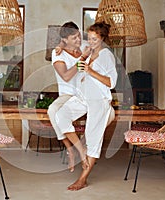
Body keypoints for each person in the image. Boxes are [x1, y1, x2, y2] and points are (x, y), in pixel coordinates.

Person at [55, 21, 117, 190]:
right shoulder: (89, 52)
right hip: (84, 97)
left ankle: (83, 178)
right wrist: (60, 48)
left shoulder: (106, 55)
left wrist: (90, 71)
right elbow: (66, 41)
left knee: (93, 137)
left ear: (103, 39)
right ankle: (80, 149)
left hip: (99, 100)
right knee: (60, 115)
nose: (90, 41)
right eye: (89, 38)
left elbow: (111, 82)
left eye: (94, 39)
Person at [47, 21, 91, 172]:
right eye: (74, 38)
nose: (78, 40)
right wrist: (81, 59)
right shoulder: (57, 53)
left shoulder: (84, 45)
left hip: (84, 94)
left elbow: (97, 47)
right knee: (53, 111)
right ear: (65, 39)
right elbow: (65, 76)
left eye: (78, 35)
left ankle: (83, 147)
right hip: (67, 94)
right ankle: (70, 149)